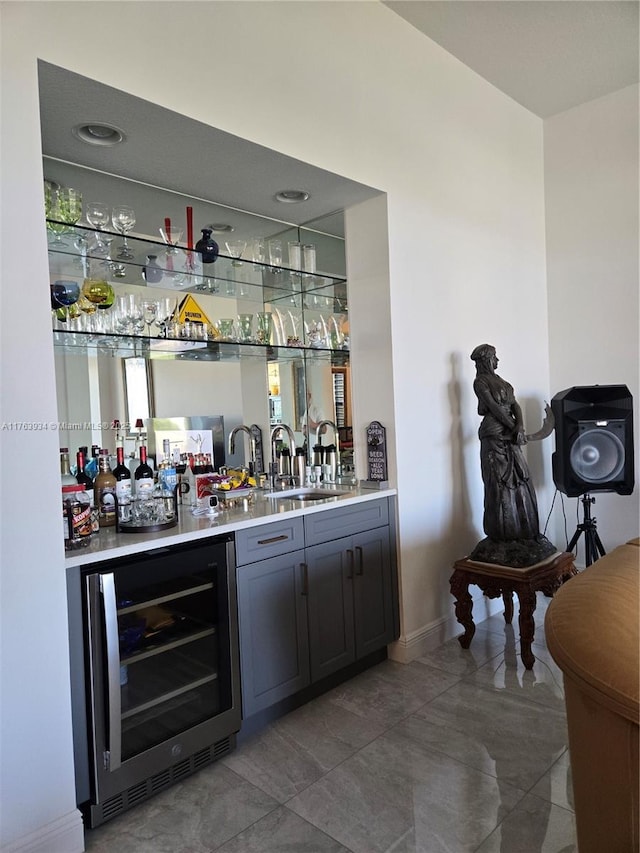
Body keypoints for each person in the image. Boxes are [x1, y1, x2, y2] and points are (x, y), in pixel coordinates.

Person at [469, 344, 555, 565]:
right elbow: (493, 408)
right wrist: (512, 427)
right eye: (494, 357)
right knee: (498, 484)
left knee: (521, 480)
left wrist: (520, 428)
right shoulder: (480, 382)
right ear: (486, 359)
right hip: (494, 436)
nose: (497, 361)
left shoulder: (504, 383)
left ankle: (526, 532)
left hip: (511, 435)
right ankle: (502, 535)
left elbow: (514, 405)